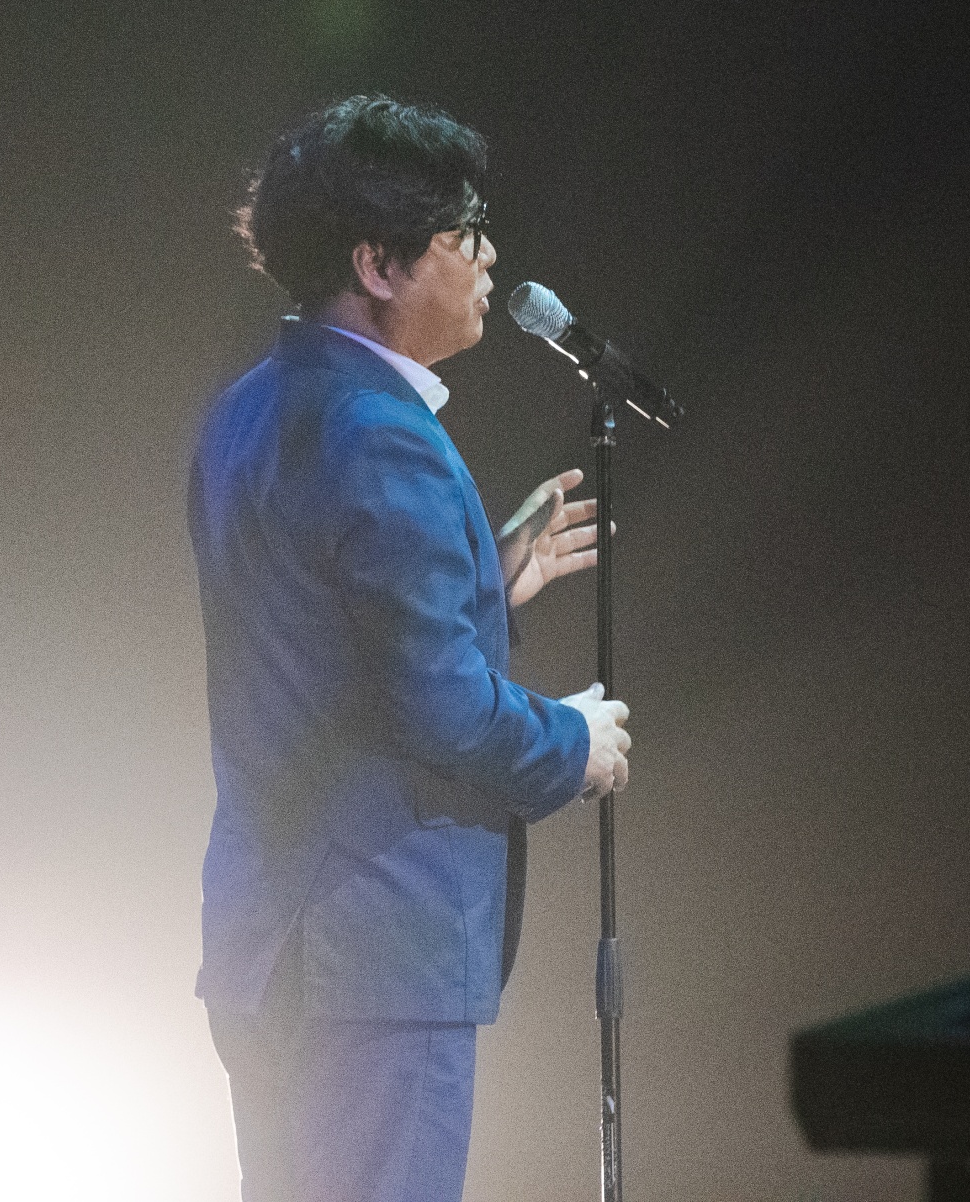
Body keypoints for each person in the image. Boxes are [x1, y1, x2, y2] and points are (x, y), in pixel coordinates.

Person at [188, 95, 632, 1202]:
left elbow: (317, 642)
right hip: (374, 959)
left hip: (270, 947)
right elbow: (443, 709)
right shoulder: (384, 433)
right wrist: (572, 742)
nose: (488, 258)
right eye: (462, 232)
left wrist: (485, 583)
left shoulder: (246, 412)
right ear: (377, 264)